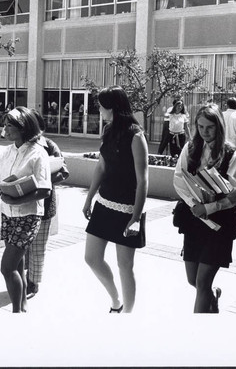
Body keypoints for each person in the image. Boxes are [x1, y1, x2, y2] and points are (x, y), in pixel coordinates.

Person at [0, 107, 52, 313]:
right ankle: (22, 306)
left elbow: (44, 190)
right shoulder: (6, 153)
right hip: (8, 215)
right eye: (5, 124)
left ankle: (16, 312)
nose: (4, 128)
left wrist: (19, 201)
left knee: (6, 268)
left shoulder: (38, 154)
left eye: (9, 125)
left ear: (22, 128)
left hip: (28, 217)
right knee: (16, 266)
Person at [82, 86, 148, 314]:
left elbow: (143, 180)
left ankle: (127, 315)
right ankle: (115, 301)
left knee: (125, 267)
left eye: (100, 106)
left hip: (128, 209)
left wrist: (136, 217)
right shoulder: (109, 131)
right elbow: (101, 166)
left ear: (112, 107)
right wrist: (89, 198)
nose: (98, 110)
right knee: (91, 258)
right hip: (104, 204)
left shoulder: (136, 135)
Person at [173, 105, 236, 313]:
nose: (204, 132)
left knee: (202, 282)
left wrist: (210, 207)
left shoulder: (231, 153)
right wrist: (195, 205)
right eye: (200, 126)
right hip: (194, 220)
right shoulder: (190, 148)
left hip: (219, 224)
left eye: (210, 127)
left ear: (219, 127)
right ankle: (212, 299)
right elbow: (179, 179)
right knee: (193, 280)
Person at [25, 109, 70, 299]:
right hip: (23, 204)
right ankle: (22, 277)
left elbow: (64, 172)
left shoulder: (50, 146)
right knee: (22, 247)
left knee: (37, 248)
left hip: (44, 205)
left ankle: (33, 283)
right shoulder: (19, 146)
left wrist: (43, 179)